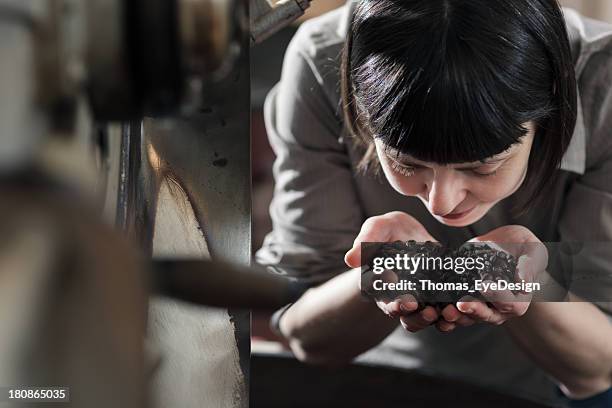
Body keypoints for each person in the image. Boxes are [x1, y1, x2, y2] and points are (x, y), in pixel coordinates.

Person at [256, 0, 612, 405]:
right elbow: (304, 335)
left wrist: (529, 281)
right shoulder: (324, 61)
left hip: (551, 385)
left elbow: (599, 367)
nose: (442, 203)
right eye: (406, 162)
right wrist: (376, 271)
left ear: (550, 112)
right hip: (373, 368)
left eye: (481, 167)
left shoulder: (606, 86)